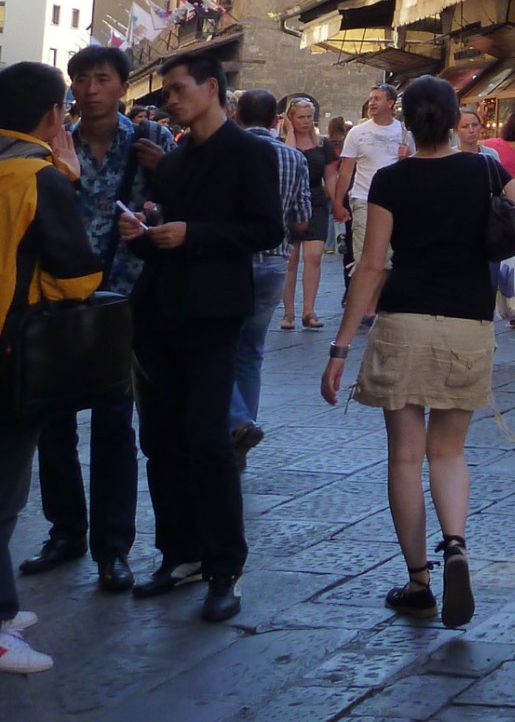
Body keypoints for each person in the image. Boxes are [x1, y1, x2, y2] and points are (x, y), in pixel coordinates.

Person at [318, 77, 515, 628]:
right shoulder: (485, 168)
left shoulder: (392, 181)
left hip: (403, 322)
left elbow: (371, 267)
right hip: (468, 325)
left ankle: (419, 580)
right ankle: (457, 545)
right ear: (452, 122)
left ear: (405, 121)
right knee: (449, 453)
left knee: (404, 457)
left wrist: (340, 347)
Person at [118, 53, 284, 623]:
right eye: (166, 92)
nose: (171, 99)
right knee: (160, 439)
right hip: (160, 311)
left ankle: (223, 567)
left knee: (208, 438)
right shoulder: (176, 159)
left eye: (179, 88)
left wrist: (193, 234)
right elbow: (162, 228)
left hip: (214, 313)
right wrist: (140, 233)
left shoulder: (249, 153)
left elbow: (267, 228)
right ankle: (178, 553)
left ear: (212, 88)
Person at [19, 45, 170, 594]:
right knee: (52, 422)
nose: (89, 89)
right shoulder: (51, 146)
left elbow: (172, 208)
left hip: (123, 301)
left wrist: (156, 209)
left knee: (114, 426)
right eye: (80, 79)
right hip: (56, 298)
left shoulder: (152, 143)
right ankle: (66, 533)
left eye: (101, 78)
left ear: (123, 87)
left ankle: (114, 548)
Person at [0, 63, 103, 674]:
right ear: (50, 115)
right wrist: (68, 180)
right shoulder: (38, 176)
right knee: (5, 491)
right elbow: (78, 277)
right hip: (13, 352)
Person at [227, 90, 311, 472]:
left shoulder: (230, 152)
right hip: (275, 263)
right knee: (252, 353)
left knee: (219, 347)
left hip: (233, 262)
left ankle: (238, 424)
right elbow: (302, 221)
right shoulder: (295, 158)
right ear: (277, 120)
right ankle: (242, 430)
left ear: (238, 116)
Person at [335, 86, 408, 297]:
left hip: (396, 203)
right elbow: (346, 170)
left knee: (390, 255)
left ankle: (377, 301)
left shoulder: (404, 133)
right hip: (364, 199)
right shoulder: (357, 133)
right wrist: (339, 203)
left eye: (377, 99)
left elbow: (414, 165)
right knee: (363, 255)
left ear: (391, 103)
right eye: (370, 99)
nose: (372, 103)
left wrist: (408, 156)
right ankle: (365, 303)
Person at [279, 97, 336, 331]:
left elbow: (331, 175)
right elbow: (289, 161)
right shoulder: (281, 142)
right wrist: (289, 132)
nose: (305, 121)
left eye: (308, 117)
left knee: (313, 257)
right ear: (290, 119)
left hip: (316, 201)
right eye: (300, 117)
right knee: (290, 261)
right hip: (290, 202)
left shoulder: (323, 144)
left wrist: (338, 202)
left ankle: (308, 311)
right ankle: (288, 313)